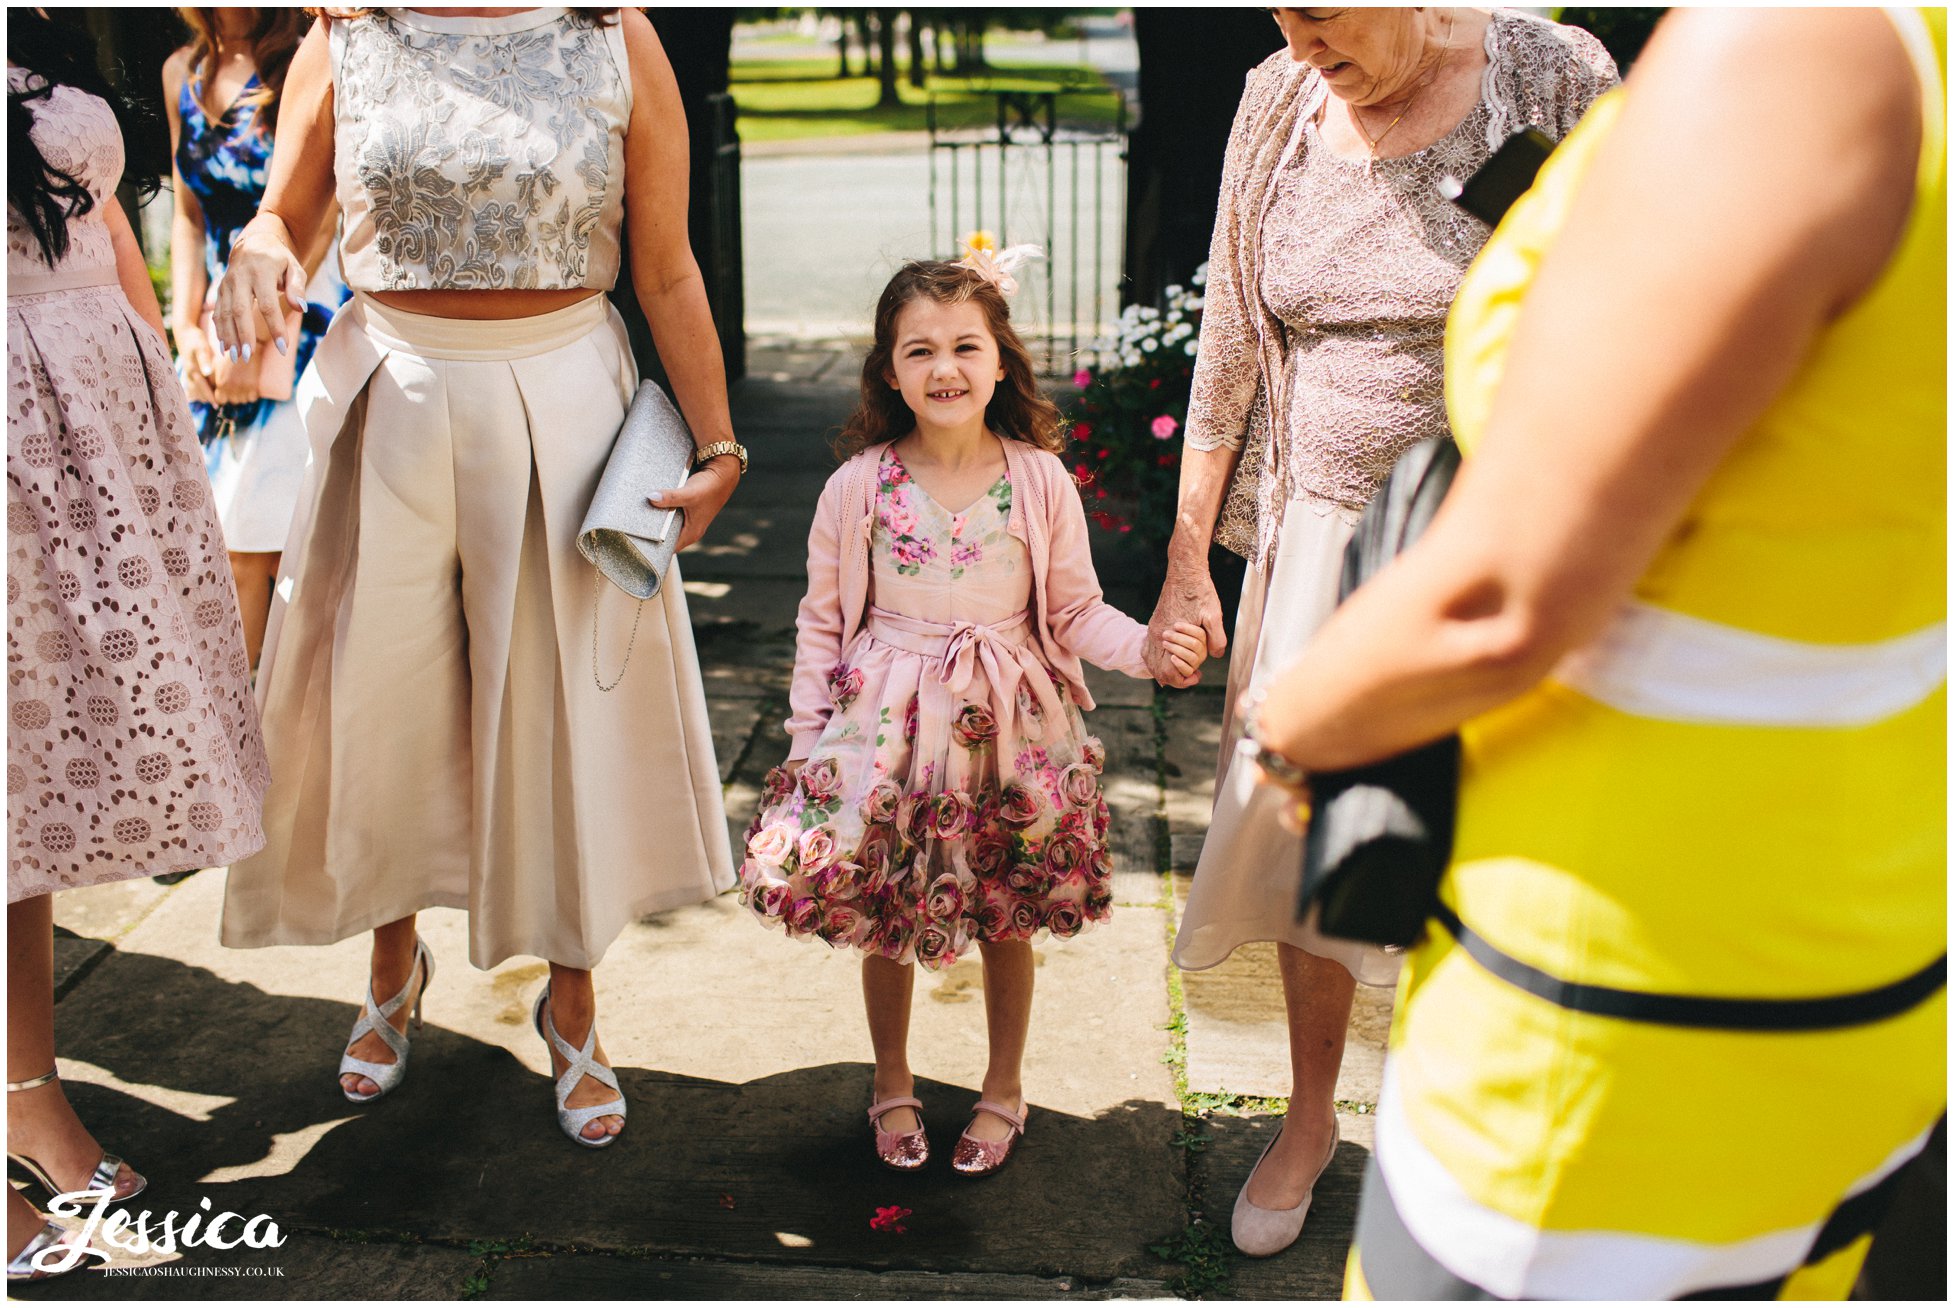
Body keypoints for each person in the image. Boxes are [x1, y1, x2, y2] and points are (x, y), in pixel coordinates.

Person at [1243, 7, 1944, 1298]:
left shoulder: (1789, 47)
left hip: (1628, 985)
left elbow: (1495, 604)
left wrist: (1297, 720)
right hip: (1832, 917)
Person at [213, 7, 742, 1149]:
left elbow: (665, 262)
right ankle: (393, 966)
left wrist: (720, 443)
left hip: (564, 401)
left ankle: (574, 996)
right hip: (390, 399)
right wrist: (258, 255)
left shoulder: (613, 31)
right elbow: (287, 219)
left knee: (560, 714)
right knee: (381, 700)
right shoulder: (344, 31)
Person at [1147, 7, 1615, 1256]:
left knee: (1491, 849)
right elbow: (1235, 344)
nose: (1303, 43)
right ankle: (1311, 1120)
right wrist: (1191, 556)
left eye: (1323, 13)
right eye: (1281, 15)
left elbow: (1628, 308)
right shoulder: (1277, 99)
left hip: (1498, 548)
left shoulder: (1549, 73)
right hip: (1320, 539)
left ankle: (1464, 1122)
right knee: (1316, 847)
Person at [739, 249, 1206, 1175]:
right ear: (889, 370)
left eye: (965, 346)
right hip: (887, 726)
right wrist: (806, 750)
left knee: (1005, 907)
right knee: (884, 910)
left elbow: (1074, 610)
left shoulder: (1039, 480)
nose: (944, 368)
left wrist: (1147, 648)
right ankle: (891, 1081)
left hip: (1011, 727)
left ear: (1001, 361)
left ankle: (1003, 1087)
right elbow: (822, 625)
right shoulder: (856, 488)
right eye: (919, 351)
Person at [7, 11, 267, 1279]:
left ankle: (26, 1092)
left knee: (28, 789)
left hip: (89, 428)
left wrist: (154, 375)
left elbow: (104, 217)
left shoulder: (58, 23)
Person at [163, 7, 344, 673]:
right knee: (222, 538)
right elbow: (187, 215)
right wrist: (186, 330)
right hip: (217, 315)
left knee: (258, 541)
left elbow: (327, 209)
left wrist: (258, 340)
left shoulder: (311, 51)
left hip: (300, 307)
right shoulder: (182, 71)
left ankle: (261, 742)